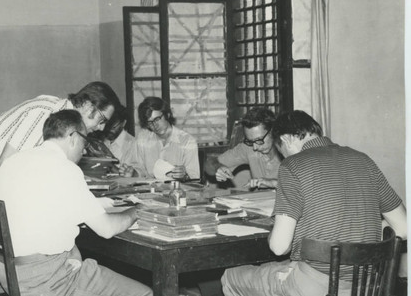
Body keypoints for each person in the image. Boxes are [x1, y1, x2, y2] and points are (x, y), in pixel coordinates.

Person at [221, 110, 407, 296]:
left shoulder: (292, 165)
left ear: (286, 140)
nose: (284, 156)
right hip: (367, 286)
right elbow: (404, 229)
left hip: (315, 285)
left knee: (231, 277)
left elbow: (279, 247)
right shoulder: (364, 160)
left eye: (282, 150)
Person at [0, 110, 152, 296]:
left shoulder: (12, 161)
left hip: (6, 271)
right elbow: (107, 229)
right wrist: (137, 211)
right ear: (73, 137)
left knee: (81, 261)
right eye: (85, 142)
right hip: (42, 280)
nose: (84, 151)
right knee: (144, 293)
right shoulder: (65, 168)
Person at [0, 81, 121, 237]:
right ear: (87, 105)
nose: (101, 128)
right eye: (102, 120)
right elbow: (7, 163)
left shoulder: (62, 120)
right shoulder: (45, 113)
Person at [205, 107, 281, 189]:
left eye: (259, 140)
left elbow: (296, 186)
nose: (255, 147)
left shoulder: (289, 150)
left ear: (273, 131)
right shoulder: (248, 148)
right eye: (251, 141)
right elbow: (209, 163)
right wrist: (218, 167)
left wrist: (272, 183)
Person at [135, 96, 199, 180]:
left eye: (157, 119)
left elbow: (195, 179)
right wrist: (134, 173)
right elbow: (141, 171)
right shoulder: (143, 139)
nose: (155, 125)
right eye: (150, 122)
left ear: (167, 114)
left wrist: (185, 176)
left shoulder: (187, 141)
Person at [101, 104, 138, 177]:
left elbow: (127, 175)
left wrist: (108, 164)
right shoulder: (103, 142)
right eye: (107, 126)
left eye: (114, 127)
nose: (109, 130)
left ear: (123, 123)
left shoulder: (132, 144)